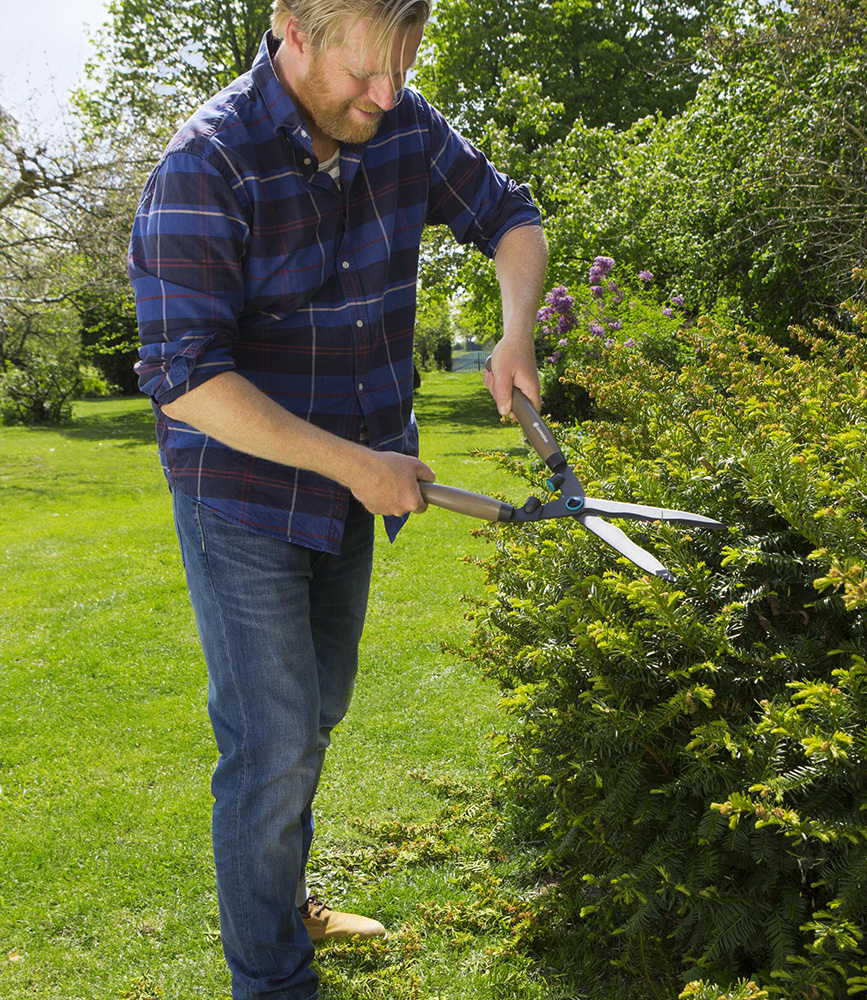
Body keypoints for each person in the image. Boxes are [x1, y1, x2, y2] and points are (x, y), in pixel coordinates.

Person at [127, 0, 546, 996]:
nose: (386, 95)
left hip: (351, 492)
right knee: (269, 742)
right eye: (365, 75)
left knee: (315, 717)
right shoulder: (205, 166)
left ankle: (283, 898)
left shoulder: (400, 119)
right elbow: (184, 376)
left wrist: (515, 328)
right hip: (239, 498)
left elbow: (511, 216)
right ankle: (273, 979)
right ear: (293, 31)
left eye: (401, 69)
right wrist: (357, 465)